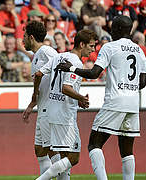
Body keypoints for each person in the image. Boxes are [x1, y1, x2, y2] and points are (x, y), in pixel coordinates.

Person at [56, 15, 146, 180]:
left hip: (115, 101)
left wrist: (71, 69)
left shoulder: (110, 47)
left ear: (119, 29)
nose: (111, 31)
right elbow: (142, 82)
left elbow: (94, 73)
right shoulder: (139, 50)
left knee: (94, 144)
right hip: (134, 103)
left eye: (113, 28)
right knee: (127, 150)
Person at [34, 29, 96, 180]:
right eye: (91, 46)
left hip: (51, 111)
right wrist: (81, 97)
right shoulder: (75, 62)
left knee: (62, 156)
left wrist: (35, 95)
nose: (93, 49)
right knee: (73, 158)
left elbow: (38, 74)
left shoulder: (59, 56)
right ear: (82, 44)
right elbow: (66, 88)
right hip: (64, 115)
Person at [21, 20, 59, 177]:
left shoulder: (46, 52)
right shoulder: (37, 57)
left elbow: (62, 64)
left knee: (51, 150)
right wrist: (31, 105)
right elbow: (40, 85)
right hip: (42, 107)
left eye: (24, 36)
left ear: (31, 37)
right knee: (40, 150)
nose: (22, 40)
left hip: (50, 108)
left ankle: (64, 176)